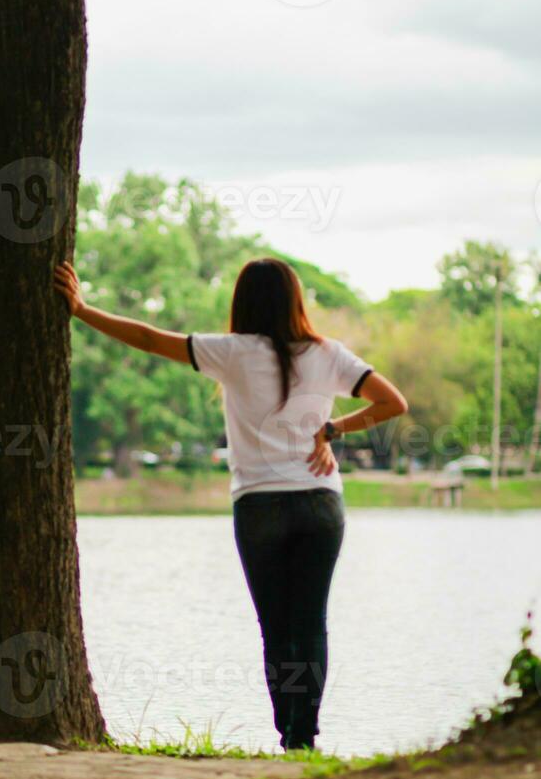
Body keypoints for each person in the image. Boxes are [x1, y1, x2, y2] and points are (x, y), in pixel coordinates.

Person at [55, 257, 407, 751]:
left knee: (276, 629)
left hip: (260, 507)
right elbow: (393, 402)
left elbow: (151, 339)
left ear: (243, 303)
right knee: (310, 623)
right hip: (320, 506)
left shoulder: (232, 352)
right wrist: (331, 430)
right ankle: (303, 738)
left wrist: (83, 310)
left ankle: (289, 733)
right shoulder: (330, 353)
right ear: (295, 301)